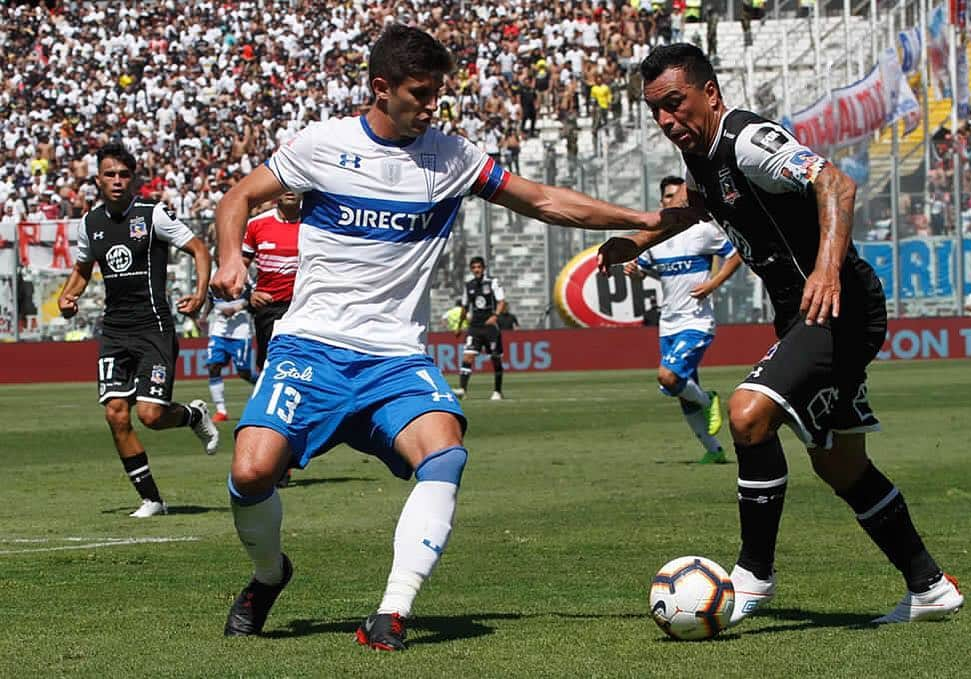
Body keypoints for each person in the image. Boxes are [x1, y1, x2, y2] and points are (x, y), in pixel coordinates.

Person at [211, 24, 662, 649]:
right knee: (252, 471)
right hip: (311, 344)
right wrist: (230, 257)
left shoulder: (452, 157)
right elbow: (238, 196)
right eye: (420, 93)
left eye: (436, 94)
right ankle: (269, 574)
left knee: (445, 451)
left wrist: (640, 218)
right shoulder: (323, 145)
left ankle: (391, 613)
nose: (432, 105)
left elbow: (545, 201)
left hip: (394, 358)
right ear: (381, 89)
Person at [598, 44, 962, 626]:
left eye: (675, 104)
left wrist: (824, 267)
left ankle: (752, 576)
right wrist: (638, 242)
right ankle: (929, 586)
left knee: (746, 414)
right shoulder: (702, 154)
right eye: (656, 112)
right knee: (840, 464)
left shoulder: (746, 139)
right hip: (809, 312)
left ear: (709, 94)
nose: (667, 121)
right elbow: (699, 207)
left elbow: (835, 185)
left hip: (835, 305)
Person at [56, 142, 219, 518]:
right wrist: (68, 297)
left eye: (124, 175)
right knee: (115, 412)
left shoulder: (153, 214)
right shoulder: (90, 223)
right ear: (97, 179)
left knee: (150, 415)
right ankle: (152, 500)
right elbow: (83, 269)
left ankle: (193, 416)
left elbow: (198, 248)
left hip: (153, 328)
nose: (117, 181)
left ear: (133, 179)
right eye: (110, 174)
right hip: (114, 330)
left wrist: (199, 293)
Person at [624, 175, 742, 464]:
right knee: (679, 391)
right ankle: (714, 451)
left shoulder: (702, 230)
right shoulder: (656, 238)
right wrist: (636, 274)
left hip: (696, 321)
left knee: (668, 377)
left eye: (677, 195)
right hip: (669, 324)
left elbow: (737, 254)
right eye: (666, 197)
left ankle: (708, 399)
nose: (671, 201)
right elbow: (647, 272)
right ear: (662, 201)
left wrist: (714, 284)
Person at [242, 192, 301, 374]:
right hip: (270, 307)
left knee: (306, 366)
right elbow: (239, 265)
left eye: (295, 186)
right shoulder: (256, 224)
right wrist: (250, 293)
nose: (290, 190)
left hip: (306, 306)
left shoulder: (316, 223)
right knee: (269, 367)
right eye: (284, 186)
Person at [452, 256, 507, 401]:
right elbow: (464, 307)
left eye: (479, 267)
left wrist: (495, 315)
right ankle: (463, 390)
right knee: (468, 356)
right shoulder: (468, 285)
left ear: (483, 268)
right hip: (475, 326)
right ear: (471, 269)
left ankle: (497, 391)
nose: (477, 270)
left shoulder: (492, 282)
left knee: (495, 358)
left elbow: (501, 302)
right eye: (474, 267)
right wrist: (459, 326)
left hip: (490, 326)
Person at [204, 275, 256, 422]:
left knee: (244, 373)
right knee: (213, 367)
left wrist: (238, 306)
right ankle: (221, 411)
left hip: (240, 331)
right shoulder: (214, 275)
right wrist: (203, 316)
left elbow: (253, 293)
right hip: (219, 331)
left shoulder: (243, 275)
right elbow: (209, 297)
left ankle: (262, 386)